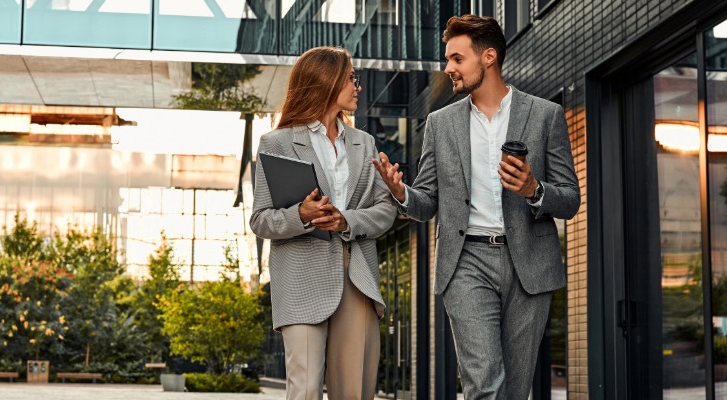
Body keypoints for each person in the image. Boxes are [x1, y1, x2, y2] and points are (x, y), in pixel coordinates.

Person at [371, 15, 580, 400]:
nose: (448, 68)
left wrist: (535, 188)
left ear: (488, 57)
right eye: (448, 59)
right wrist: (401, 193)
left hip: (529, 264)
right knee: (484, 383)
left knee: (515, 389)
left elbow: (570, 199)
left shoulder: (545, 115)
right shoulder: (440, 123)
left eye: (456, 58)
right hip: (466, 261)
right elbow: (427, 200)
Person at [248, 46, 397, 400]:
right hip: (301, 280)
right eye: (350, 78)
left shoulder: (365, 142)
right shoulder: (277, 143)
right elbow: (260, 219)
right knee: (306, 389)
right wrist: (301, 214)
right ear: (327, 82)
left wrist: (345, 220)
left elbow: (385, 210)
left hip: (357, 277)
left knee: (355, 391)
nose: (357, 86)